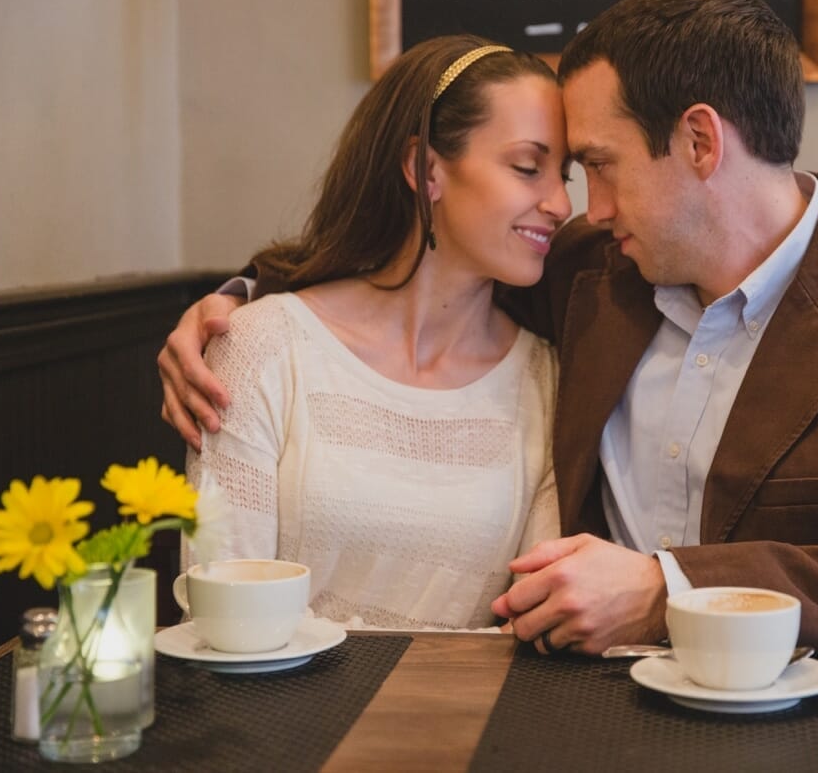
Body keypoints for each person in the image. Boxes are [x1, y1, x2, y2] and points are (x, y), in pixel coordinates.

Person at [160, 0, 818, 708]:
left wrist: (670, 589)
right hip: (568, 727)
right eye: (557, 171)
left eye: (599, 165)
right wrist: (237, 302)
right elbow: (405, 264)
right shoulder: (590, 274)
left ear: (699, 141)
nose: (584, 206)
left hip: (810, 735)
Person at [178, 34, 569, 630]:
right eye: (527, 168)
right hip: (278, 713)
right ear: (424, 168)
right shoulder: (262, 346)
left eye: (562, 173)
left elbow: (536, 618)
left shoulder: (544, 378)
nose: (562, 203)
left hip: (473, 717)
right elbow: (222, 610)